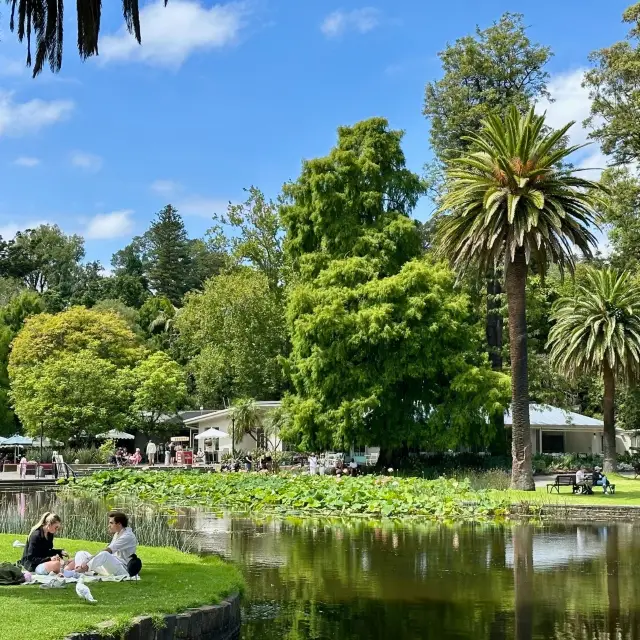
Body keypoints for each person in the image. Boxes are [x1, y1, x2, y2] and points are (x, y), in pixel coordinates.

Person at [76, 511, 137, 577]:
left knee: (104, 554)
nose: (109, 525)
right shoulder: (117, 533)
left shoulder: (128, 536)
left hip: (122, 569)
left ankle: (81, 570)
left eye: (111, 523)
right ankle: (79, 571)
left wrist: (88, 560)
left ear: (119, 524)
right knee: (81, 553)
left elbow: (109, 550)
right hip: (111, 566)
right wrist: (88, 559)